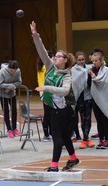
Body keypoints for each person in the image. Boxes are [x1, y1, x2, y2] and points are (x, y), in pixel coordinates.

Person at [30, 21, 80, 172]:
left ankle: (54, 166)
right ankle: (73, 159)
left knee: (57, 136)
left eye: (59, 57)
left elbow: (64, 91)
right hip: (50, 107)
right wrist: (35, 34)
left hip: (61, 110)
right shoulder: (50, 67)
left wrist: (46, 88)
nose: (55, 58)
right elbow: (42, 51)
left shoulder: (67, 76)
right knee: (63, 135)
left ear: (65, 60)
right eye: (55, 56)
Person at [88, 51, 108, 149]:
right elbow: (89, 84)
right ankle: (101, 140)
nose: (94, 63)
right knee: (98, 121)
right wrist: (89, 75)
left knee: (104, 120)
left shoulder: (106, 70)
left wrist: (92, 76)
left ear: (101, 60)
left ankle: (106, 141)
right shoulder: (91, 70)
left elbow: (102, 82)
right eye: (93, 61)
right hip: (95, 99)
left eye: (96, 61)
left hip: (105, 99)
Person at [72, 51, 94, 149]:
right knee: (83, 118)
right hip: (79, 97)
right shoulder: (73, 70)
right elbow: (74, 83)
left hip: (88, 96)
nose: (81, 61)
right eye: (79, 60)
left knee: (88, 118)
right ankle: (85, 139)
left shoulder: (89, 68)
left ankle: (86, 139)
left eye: (83, 59)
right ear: (76, 60)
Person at [0, 60, 22, 138]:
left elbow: (19, 82)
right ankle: (9, 129)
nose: (12, 72)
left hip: (12, 93)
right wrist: (7, 87)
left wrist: (11, 87)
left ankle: (14, 128)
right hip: (3, 94)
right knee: (6, 111)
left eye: (14, 71)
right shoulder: (2, 71)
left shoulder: (18, 71)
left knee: (14, 110)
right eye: (11, 71)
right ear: (8, 68)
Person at [37, 51, 54, 142]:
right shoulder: (45, 68)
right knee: (47, 115)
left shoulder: (41, 67)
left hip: (44, 93)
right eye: (52, 57)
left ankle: (50, 133)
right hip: (45, 93)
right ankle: (47, 135)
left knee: (49, 114)